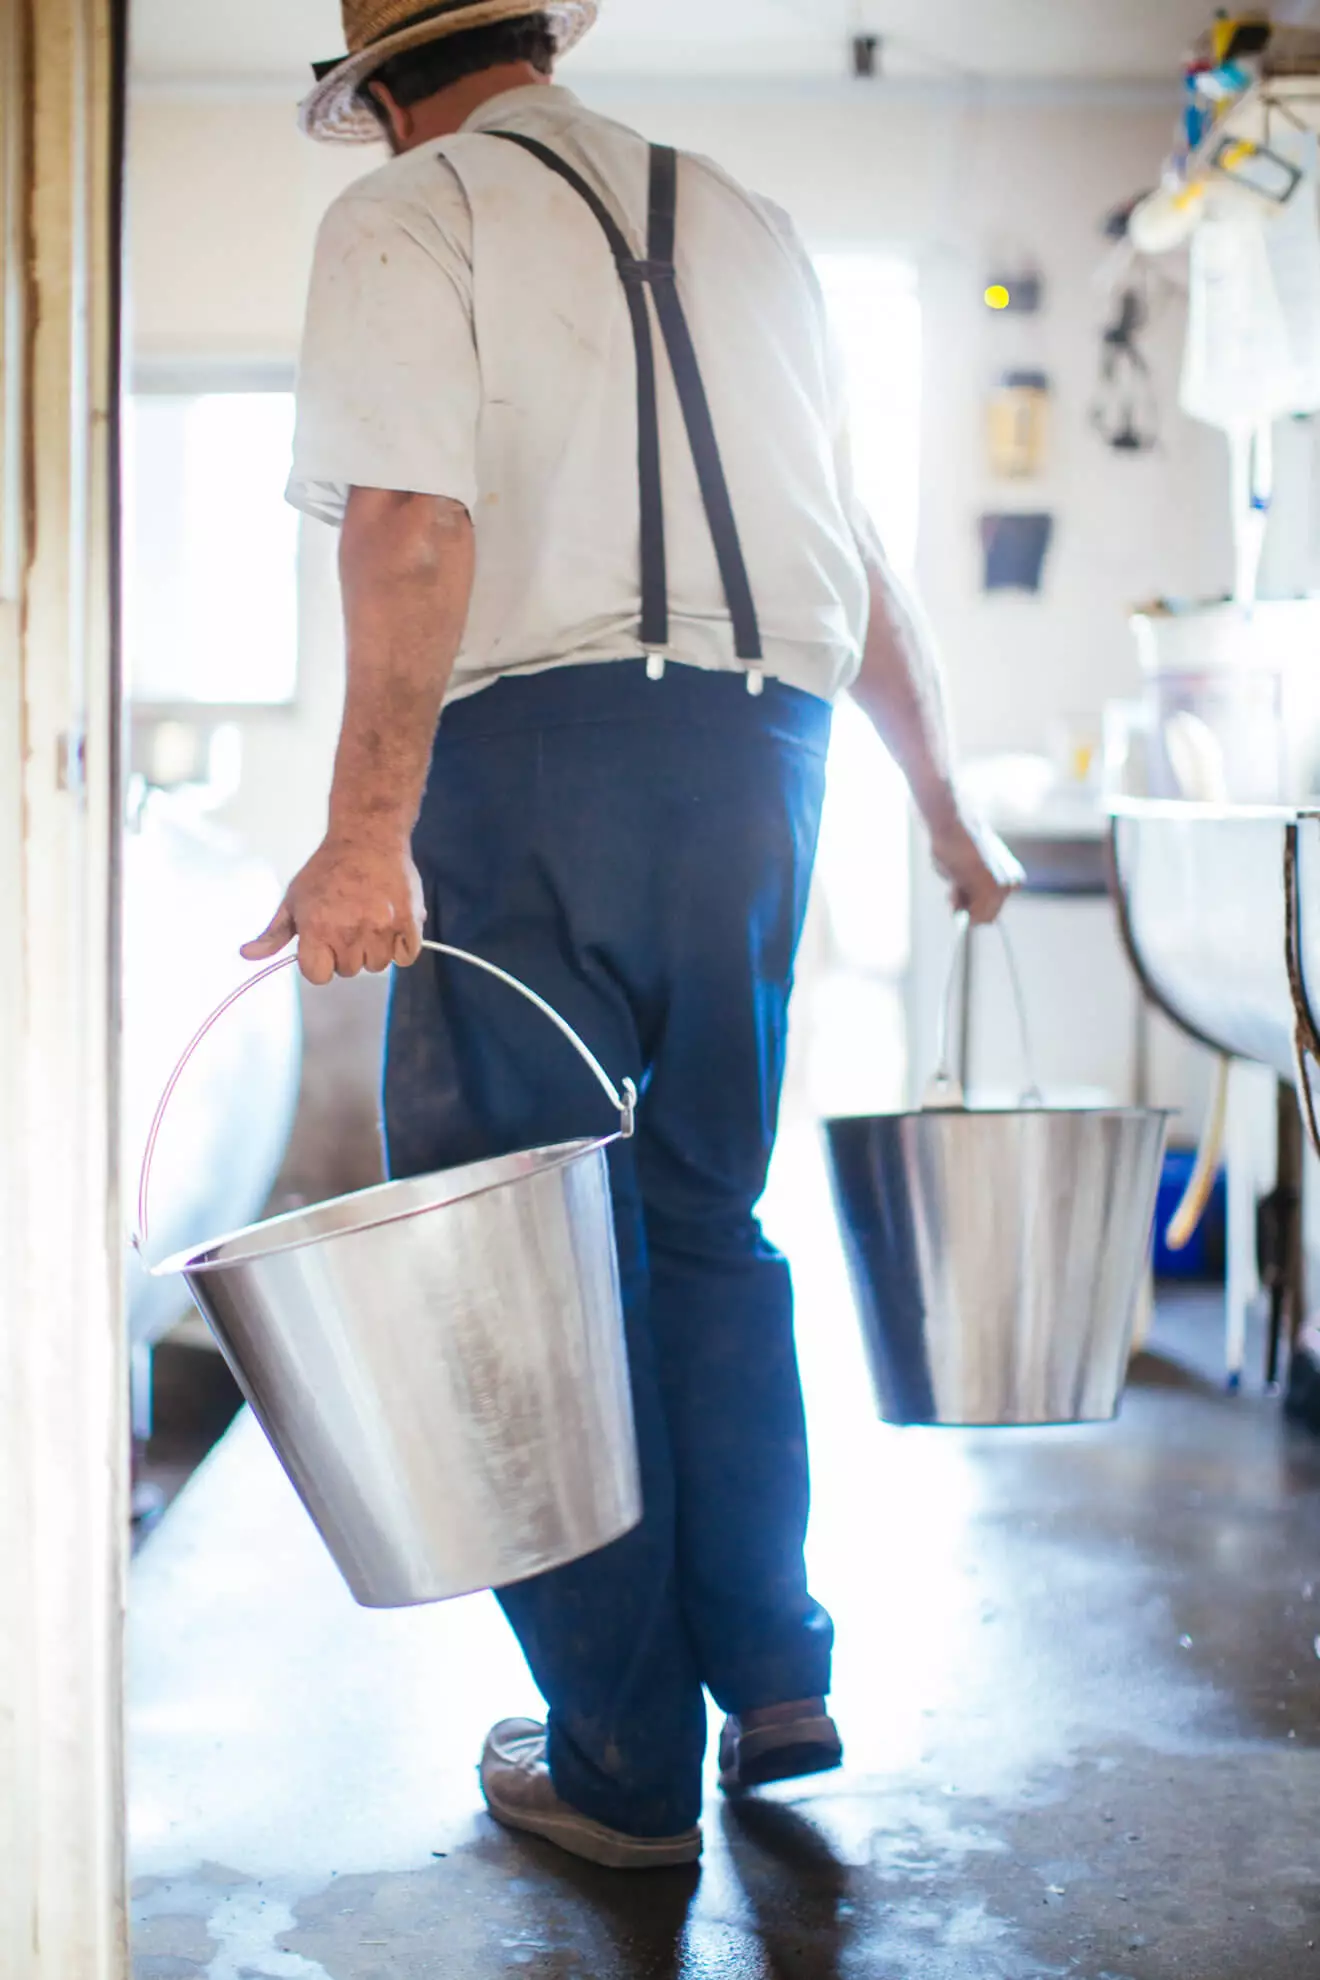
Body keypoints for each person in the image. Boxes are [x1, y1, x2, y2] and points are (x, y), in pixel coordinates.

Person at [244, 0, 1018, 1874]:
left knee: (531, 1272)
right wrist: (941, 800)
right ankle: (769, 1674)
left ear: (390, 86)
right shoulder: (743, 212)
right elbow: (862, 550)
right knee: (701, 1215)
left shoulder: (414, 211)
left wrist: (364, 832)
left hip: (534, 763)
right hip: (768, 757)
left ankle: (615, 1760)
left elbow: (415, 520)